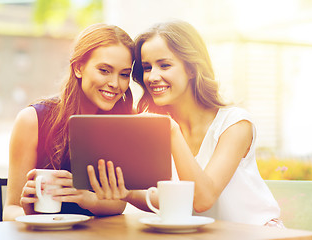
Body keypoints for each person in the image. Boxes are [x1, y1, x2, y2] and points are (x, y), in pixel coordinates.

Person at [87, 20, 283, 227]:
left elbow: (202, 199)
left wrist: (171, 131)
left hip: (259, 234)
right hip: (204, 234)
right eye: (147, 67)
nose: (152, 77)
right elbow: (171, 200)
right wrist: (127, 193)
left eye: (164, 65)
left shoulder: (235, 124)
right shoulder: (157, 127)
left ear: (191, 69)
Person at [3, 23, 135, 221]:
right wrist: (29, 212)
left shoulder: (122, 122)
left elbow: (118, 203)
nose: (115, 83)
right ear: (78, 68)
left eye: (124, 74)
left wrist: (85, 198)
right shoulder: (32, 120)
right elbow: (10, 210)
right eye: (105, 70)